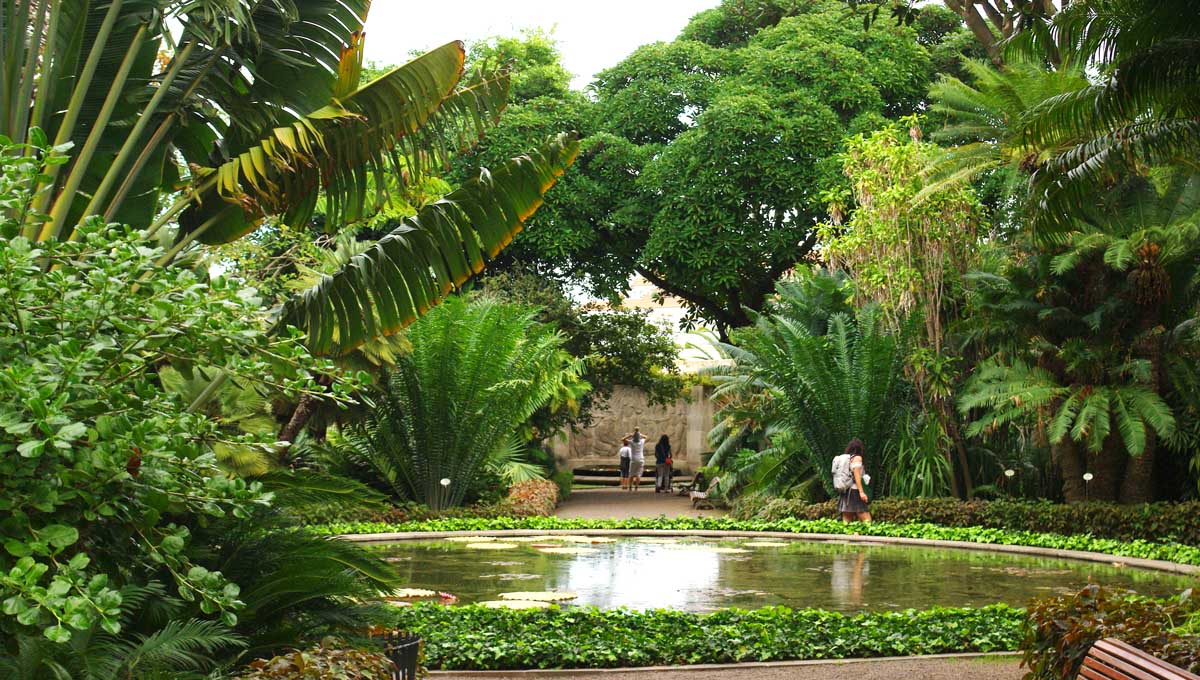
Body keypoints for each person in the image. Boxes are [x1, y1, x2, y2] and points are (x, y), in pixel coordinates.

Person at [837, 438, 872, 523]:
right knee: (867, 520)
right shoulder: (857, 458)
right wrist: (861, 492)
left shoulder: (845, 459)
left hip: (845, 491)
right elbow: (857, 476)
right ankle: (867, 535)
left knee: (847, 521)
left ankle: (848, 535)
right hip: (854, 491)